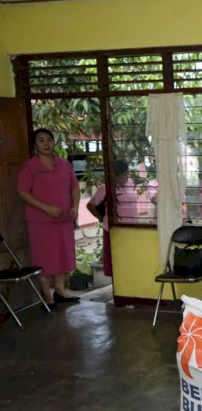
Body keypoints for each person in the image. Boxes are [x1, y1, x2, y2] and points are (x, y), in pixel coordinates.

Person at [17, 128, 81, 306]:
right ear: (35, 145)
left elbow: (74, 187)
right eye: (41, 140)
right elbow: (23, 192)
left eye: (49, 140)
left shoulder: (64, 164)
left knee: (61, 255)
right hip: (40, 221)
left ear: (54, 142)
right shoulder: (29, 167)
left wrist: (75, 207)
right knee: (44, 258)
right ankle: (47, 296)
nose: (46, 144)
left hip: (64, 220)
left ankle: (60, 289)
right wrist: (46, 209)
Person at [87, 160, 138, 276]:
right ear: (114, 175)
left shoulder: (130, 182)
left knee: (131, 258)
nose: (126, 177)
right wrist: (101, 218)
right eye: (123, 175)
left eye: (127, 173)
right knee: (116, 260)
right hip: (114, 229)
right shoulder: (106, 188)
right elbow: (90, 206)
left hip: (132, 226)